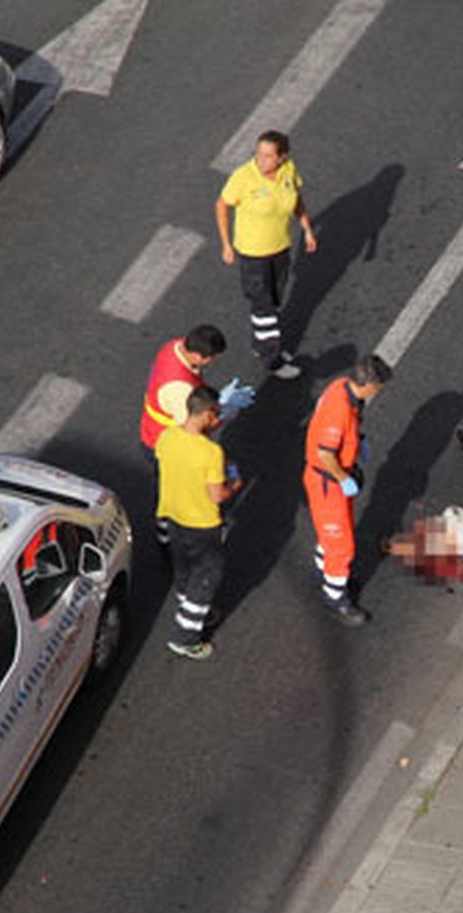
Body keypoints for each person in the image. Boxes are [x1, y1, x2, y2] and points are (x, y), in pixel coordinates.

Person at [216, 130, 317, 382]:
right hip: (253, 254)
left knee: (273, 299)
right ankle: (272, 359)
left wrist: (307, 229)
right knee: (264, 307)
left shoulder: (288, 171)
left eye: (268, 156)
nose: (261, 160)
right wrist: (226, 245)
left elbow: (297, 200)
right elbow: (221, 205)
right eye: (258, 154)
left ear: (282, 157)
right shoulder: (244, 177)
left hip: (280, 249)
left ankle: (260, 344)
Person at [304, 353, 393, 626]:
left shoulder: (342, 387)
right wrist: (343, 478)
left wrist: (357, 441)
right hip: (328, 482)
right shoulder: (339, 410)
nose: (379, 393)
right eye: (378, 388)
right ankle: (335, 598)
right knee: (341, 544)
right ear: (367, 385)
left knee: (331, 534)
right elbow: (325, 453)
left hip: (332, 478)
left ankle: (327, 573)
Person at [156, 386, 243, 660]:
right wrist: (235, 484)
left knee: (184, 566)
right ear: (207, 414)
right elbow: (217, 495)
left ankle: (188, 605)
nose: (218, 418)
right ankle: (185, 637)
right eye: (216, 413)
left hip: (173, 515)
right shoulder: (211, 452)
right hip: (201, 523)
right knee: (207, 576)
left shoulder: (167, 437)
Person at [138, 324, 253, 463]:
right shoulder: (180, 389)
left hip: (153, 431)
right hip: (166, 446)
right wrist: (223, 413)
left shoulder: (175, 346)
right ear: (198, 357)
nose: (211, 361)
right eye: (211, 357)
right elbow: (194, 428)